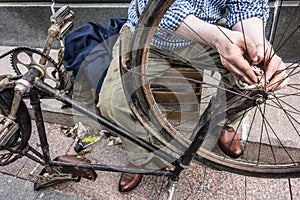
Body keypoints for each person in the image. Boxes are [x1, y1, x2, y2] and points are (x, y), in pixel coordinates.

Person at [95, 0, 288, 193]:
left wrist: (258, 46)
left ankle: (222, 121)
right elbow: (157, 7)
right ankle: (141, 155)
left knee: (255, 75)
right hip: (148, 36)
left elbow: (246, 3)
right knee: (112, 103)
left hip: (205, 35)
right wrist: (217, 38)